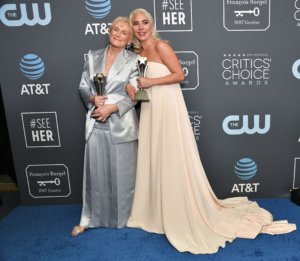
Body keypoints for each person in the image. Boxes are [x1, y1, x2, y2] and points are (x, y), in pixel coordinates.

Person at [126, 8, 296, 254]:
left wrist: (151, 82)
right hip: (151, 110)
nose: (141, 27)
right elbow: (137, 83)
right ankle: (158, 211)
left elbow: (179, 75)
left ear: (151, 25)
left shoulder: (161, 46)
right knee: (155, 157)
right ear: (132, 28)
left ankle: (181, 210)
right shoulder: (137, 51)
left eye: (145, 22)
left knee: (172, 157)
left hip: (168, 108)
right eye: (136, 24)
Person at [71, 16, 139, 236]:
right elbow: (83, 85)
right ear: (109, 31)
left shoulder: (134, 60)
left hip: (121, 122)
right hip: (95, 121)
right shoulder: (93, 57)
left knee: (123, 175)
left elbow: (136, 95)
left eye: (124, 33)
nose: (118, 34)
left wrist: (112, 108)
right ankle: (89, 218)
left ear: (129, 39)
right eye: (115, 30)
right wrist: (92, 99)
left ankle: (124, 218)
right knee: (95, 173)